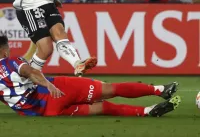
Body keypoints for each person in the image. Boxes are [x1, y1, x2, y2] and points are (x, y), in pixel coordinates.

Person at [0, 35, 181, 117]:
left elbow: (6, 98)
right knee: (110, 90)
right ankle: (159, 90)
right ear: (4, 50)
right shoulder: (11, 62)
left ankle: (146, 112)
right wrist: (48, 85)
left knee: (102, 108)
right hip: (59, 90)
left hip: (47, 112)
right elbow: (31, 72)